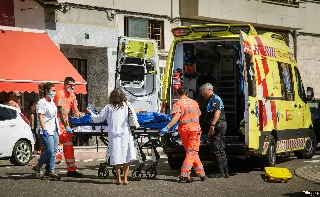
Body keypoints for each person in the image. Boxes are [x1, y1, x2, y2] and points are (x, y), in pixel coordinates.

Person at [86, 88, 137, 185]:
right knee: (126, 157)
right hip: (125, 134)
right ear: (123, 96)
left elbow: (99, 119)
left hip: (114, 135)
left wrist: (91, 113)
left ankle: (118, 179)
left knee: (116, 156)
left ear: (112, 96)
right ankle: (125, 179)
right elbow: (134, 118)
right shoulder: (127, 105)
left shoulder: (108, 107)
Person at [160, 87, 207, 183]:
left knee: (191, 152)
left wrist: (167, 127)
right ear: (187, 94)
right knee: (192, 152)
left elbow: (177, 116)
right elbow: (198, 115)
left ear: (178, 94)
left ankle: (201, 173)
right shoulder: (194, 103)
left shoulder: (177, 103)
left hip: (184, 130)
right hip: (194, 130)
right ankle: (184, 175)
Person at [47, 77, 84, 177]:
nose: (72, 87)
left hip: (65, 125)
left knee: (68, 146)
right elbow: (61, 111)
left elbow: (76, 112)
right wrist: (67, 125)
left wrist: (86, 115)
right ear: (65, 84)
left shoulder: (73, 95)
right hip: (56, 124)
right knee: (53, 148)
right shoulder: (60, 94)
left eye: (73, 85)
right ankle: (49, 168)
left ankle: (71, 170)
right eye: (70, 84)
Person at [32, 82, 60, 180]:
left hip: (54, 129)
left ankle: (51, 171)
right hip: (45, 130)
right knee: (49, 150)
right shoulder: (42, 102)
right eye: (53, 90)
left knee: (53, 151)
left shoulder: (52, 102)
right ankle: (38, 166)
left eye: (54, 90)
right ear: (47, 91)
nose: (54, 92)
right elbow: (41, 116)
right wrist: (44, 129)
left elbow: (54, 116)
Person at [200, 83, 229, 178]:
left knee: (216, 149)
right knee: (219, 148)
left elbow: (217, 112)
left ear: (209, 90)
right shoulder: (211, 100)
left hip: (218, 125)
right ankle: (225, 171)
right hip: (218, 125)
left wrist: (212, 125)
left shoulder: (215, 99)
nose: (202, 94)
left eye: (203, 92)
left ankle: (221, 171)